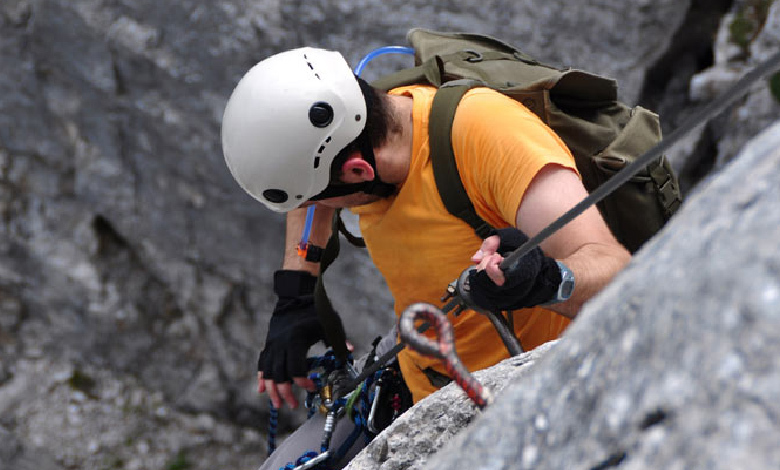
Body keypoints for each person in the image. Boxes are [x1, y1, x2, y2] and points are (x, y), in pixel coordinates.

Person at [221, 46, 631, 468]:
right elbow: (312, 195)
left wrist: (547, 279)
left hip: (523, 393)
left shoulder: (484, 135)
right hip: (416, 384)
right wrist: (297, 294)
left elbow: (613, 268)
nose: (316, 205)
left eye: (324, 194)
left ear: (358, 172)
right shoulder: (363, 123)